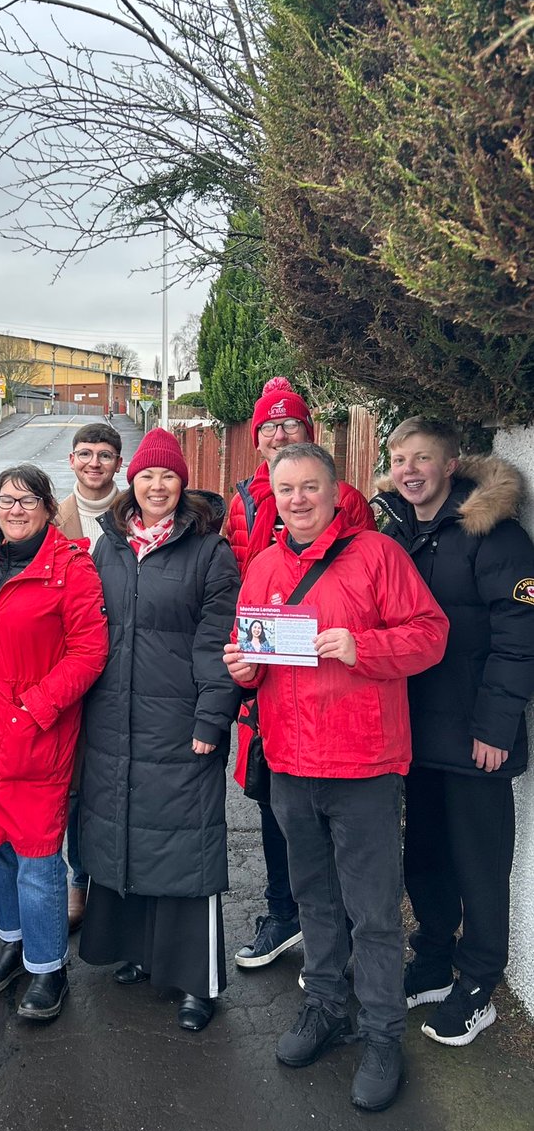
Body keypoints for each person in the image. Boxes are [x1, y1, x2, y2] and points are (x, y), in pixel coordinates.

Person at [224, 442, 448, 1112]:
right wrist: (243, 670)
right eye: (285, 489)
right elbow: (255, 656)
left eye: (309, 488)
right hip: (291, 763)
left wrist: (366, 646)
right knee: (314, 901)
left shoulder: (378, 555)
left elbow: (432, 634)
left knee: (374, 913)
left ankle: (382, 1034)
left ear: (334, 490)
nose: (297, 500)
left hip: (363, 764)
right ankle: (324, 1007)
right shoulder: (263, 565)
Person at [373, 417, 534, 1046]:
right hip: (413, 733)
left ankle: (479, 983)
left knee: (479, 863)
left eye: (422, 459)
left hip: (475, 738)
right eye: (399, 459)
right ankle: (434, 960)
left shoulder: (494, 534)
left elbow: (519, 639)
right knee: (427, 856)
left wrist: (495, 726)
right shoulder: (395, 532)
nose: (409, 470)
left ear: (449, 464)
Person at [78, 428, 242, 1032]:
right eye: (146, 475)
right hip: (113, 718)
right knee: (126, 829)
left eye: (168, 476)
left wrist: (210, 717)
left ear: (183, 484)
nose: (156, 485)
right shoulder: (109, 548)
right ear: (131, 481)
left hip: (179, 721)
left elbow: (218, 641)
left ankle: (197, 981)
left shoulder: (209, 553)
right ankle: (140, 953)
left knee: (186, 844)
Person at [223, 377, 376, 973]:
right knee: (271, 798)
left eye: (291, 425)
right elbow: (237, 585)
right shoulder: (241, 501)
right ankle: (283, 913)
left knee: (332, 810)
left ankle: (338, 924)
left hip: (331, 682)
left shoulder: (348, 499)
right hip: (267, 682)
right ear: (257, 439)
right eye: (270, 427)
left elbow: (362, 581)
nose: (281, 433)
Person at [0, 465, 108, 1023]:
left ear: (47, 508)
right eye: (7, 501)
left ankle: (49, 968)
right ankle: (15, 946)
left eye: (28, 502)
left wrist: (35, 708)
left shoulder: (71, 569)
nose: (15, 511)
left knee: (39, 860)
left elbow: (90, 652)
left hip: (37, 734)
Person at [56, 421, 124, 931]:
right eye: (85, 453)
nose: (94, 462)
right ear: (73, 460)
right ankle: (78, 876)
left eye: (105, 454)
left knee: (120, 778)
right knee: (75, 784)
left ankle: (119, 880)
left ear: (119, 463)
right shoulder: (51, 520)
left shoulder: (136, 513)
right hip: (70, 664)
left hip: (127, 664)